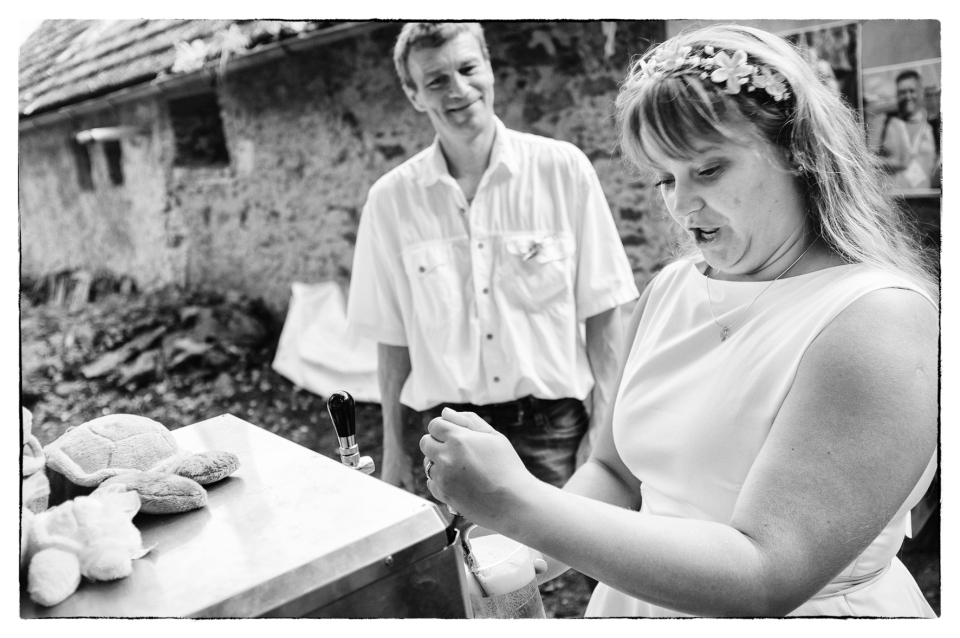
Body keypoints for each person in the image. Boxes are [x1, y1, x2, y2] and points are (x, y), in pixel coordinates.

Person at [420, 24, 939, 617]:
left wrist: (520, 504)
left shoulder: (877, 317)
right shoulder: (670, 289)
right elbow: (615, 474)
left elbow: (767, 576)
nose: (680, 204)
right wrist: (518, 556)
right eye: (665, 177)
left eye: (709, 170)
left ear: (796, 152)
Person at [347, 23, 639, 493]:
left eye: (468, 69)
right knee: (456, 547)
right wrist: (394, 451)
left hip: (553, 433)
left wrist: (602, 434)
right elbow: (392, 341)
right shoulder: (389, 201)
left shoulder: (563, 170)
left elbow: (603, 312)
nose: (458, 89)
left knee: (560, 547)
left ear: (489, 68)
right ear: (414, 94)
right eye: (436, 80)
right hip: (445, 437)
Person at [871, 69, 939, 189]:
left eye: (912, 91)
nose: (907, 96)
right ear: (897, 95)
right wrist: (894, 162)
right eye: (902, 92)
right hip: (892, 197)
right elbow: (868, 161)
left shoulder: (933, 126)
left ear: (921, 92)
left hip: (926, 198)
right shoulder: (885, 123)